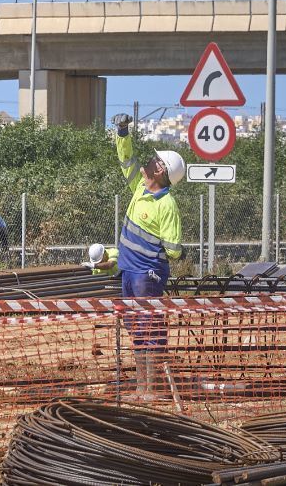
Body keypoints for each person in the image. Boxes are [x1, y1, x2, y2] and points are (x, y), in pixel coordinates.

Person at [110, 114, 186, 399]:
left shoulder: (167, 204)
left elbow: (174, 248)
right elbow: (126, 161)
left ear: (162, 171)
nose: (149, 161)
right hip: (129, 271)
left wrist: (178, 251)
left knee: (149, 331)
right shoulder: (140, 188)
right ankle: (142, 388)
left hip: (147, 275)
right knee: (137, 331)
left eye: (156, 161)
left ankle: (150, 390)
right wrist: (122, 133)